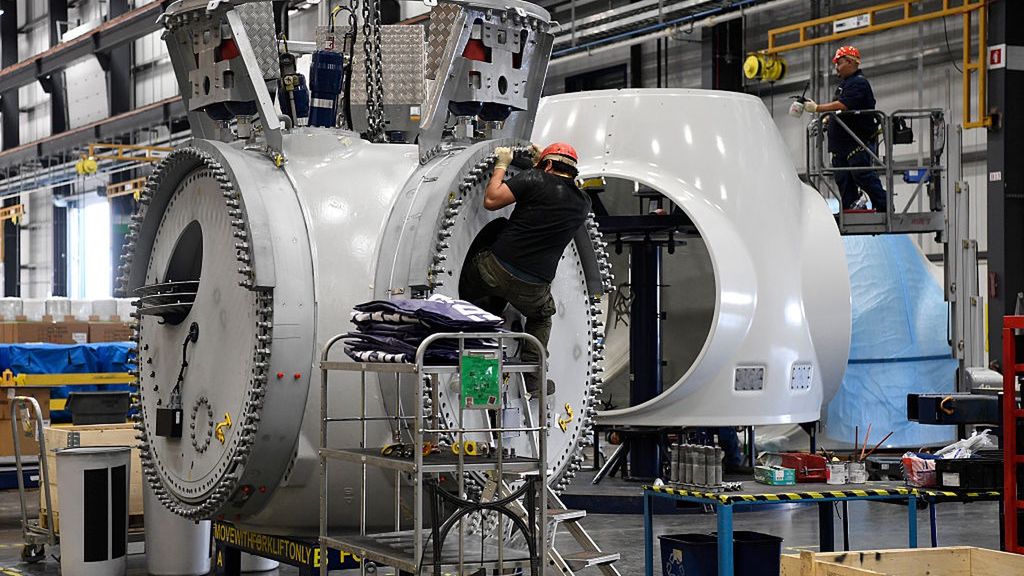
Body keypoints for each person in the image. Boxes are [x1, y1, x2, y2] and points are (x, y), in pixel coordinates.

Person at [460, 142, 592, 396]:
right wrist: (542, 165)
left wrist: (502, 165)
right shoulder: (583, 203)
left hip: (493, 271)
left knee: (488, 248)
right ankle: (534, 379)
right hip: (533, 286)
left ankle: (471, 327)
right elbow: (560, 189)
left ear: (548, 165)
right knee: (542, 317)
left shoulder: (534, 178)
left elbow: (491, 199)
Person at [802, 45, 887, 212]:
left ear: (850, 62)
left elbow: (844, 105)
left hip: (857, 142)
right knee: (843, 177)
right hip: (842, 145)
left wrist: (818, 108)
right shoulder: (845, 85)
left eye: (839, 63)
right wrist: (826, 121)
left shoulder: (859, 83)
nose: (836, 68)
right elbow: (841, 111)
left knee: (862, 174)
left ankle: (884, 206)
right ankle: (851, 208)